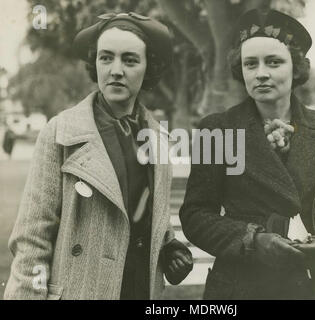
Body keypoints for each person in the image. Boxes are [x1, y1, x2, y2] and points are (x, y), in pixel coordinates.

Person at [179, 9, 315, 299]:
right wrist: (251, 240)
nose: (261, 74)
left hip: (310, 284)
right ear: (240, 70)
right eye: (250, 64)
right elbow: (196, 214)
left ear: (295, 68)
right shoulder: (216, 129)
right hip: (238, 284)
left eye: (274, 62)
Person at [4, 12, 193, 300]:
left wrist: (170, 247)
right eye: (106, 58)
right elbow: (32, 241)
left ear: (148, 68)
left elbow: (148, 217)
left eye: (129, 60)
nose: (116, 70)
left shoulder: (159, 140)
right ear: (95, 64)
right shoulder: (60, 133)